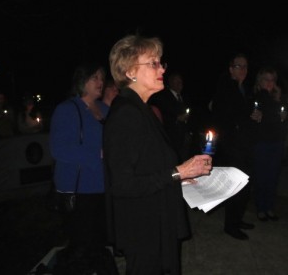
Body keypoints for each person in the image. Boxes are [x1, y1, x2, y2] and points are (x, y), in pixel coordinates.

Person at [103, 34, 212, 275]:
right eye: (153, 62)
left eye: (161, 62)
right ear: (131, 70)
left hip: (156, 220)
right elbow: (122, 185)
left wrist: (183, 176)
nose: (161, 68)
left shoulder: (142, 110)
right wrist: (177, 172)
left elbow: (148, 166)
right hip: (144, 227)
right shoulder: (126, 114)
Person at [49, 62, 112, 273]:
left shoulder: (105, 109)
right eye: (95, 78)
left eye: (102, 78)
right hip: (78, 190)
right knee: (82, 245)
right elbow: (59, 149)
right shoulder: (67, 109)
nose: (100, 82)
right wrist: (98, 154)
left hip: (103, 186)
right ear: (81, 81)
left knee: (99, 241)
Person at [211, 53, 261, 240]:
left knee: (245, 184)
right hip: (232, 146)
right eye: (239, 66)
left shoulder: (244, 89)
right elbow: (226, 115)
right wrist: (247, 116)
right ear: (231, 68)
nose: (243, 70)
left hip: (244, 144)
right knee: (236, 185)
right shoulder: (225, 88)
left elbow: (246, 113)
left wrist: (256, 116)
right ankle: (230, 225)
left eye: (246, 66)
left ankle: (237, 219)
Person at [252, 66, 288, 221]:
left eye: (272, 79)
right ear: (260, 81)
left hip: (277, 142)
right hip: (261, 142)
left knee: (273, 177)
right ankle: (261, 207)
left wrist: (283, 111)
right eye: (266, 79)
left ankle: (269, 207)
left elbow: (284, 119)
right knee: (261, 176)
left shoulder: (278, 98)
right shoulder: (256, 97)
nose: (270, 82)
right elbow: (254, 119)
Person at [148, 71, 192, 160]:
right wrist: (176, 118)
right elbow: (161, 114)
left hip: (185, 136)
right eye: (177, 81)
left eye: (181, 81)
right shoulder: (162, 96)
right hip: (171, 136)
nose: (180, 84)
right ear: (171, 82)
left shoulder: (184, 97)